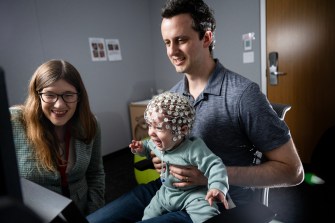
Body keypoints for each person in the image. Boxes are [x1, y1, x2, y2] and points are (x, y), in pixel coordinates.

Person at [87, 0, 304, 222]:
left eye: (181, 40)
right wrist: (160, 156)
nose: (172, 51)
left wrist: (208, 176)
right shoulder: (172, 98)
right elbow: (167, 146)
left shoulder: (243, 95)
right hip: (166, 190)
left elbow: (293, 171)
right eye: (167, 42)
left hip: (213, 201)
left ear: (206, 38)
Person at [10, 59, 105, 216]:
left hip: (80, 213)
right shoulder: (14, 122)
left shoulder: (90, 123)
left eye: (68, 95)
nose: (59, 105)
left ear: (79, 96)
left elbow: (96, 174)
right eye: (49, 95)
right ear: (37, 95)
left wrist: (95, 213)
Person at [129, 91, 229, 223]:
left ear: (182, 130)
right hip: (166, 193)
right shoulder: (155, 143)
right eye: (149, 126)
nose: (151, 133)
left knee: (207, 214)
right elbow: (148, 147)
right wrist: (141, 149)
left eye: (158, 128)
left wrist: (217, 187)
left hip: (193, 194)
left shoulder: (194, 148)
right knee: (148, 214)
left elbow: (215, 165)